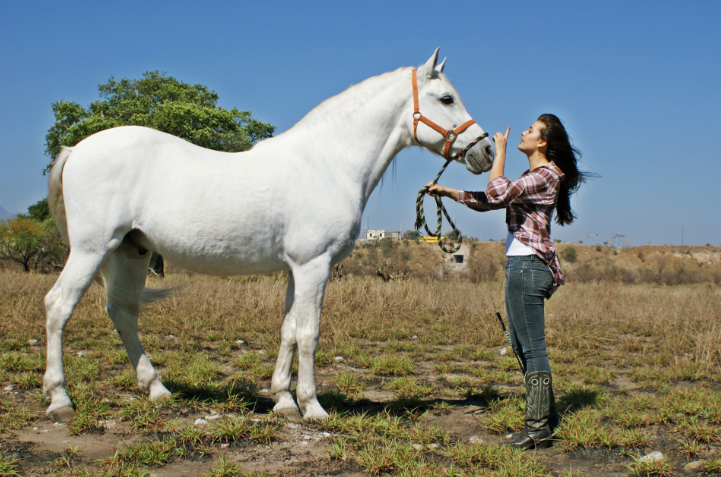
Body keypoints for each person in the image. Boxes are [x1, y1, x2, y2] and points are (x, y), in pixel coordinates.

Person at [427, 114, 591, 450]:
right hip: (521, 265)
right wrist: (447, 191)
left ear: (542, 142)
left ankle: (538, 428)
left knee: (532, 348)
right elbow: (492, 200)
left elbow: (496, 191)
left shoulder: (546, 174)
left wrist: (498, 152)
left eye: (531, 130)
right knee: (522, 346)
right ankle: (545, 418)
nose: (524, 133)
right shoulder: (533, 176)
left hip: (529, 266)